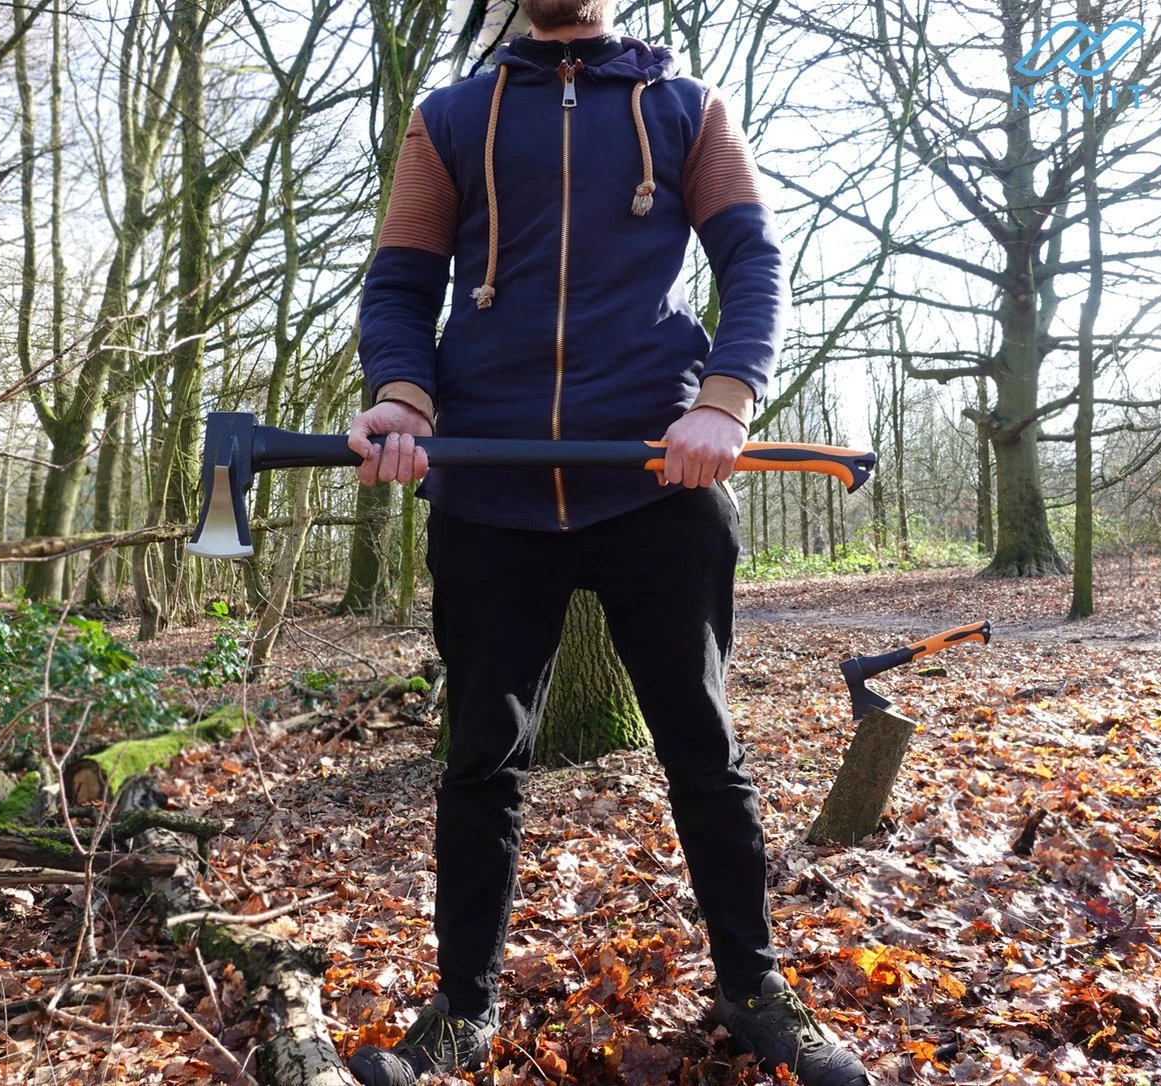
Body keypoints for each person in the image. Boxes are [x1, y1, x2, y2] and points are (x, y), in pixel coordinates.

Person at [346, 1, 871, 1083]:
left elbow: (754, 262)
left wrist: (724, 402)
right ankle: (462, 1009)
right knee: (479, 760)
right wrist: (402, 394)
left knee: (704, 751)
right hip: (489, 495)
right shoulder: (450, 118)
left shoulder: (690, 110)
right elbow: (400, 281)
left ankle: (753, 988)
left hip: (658, 484)